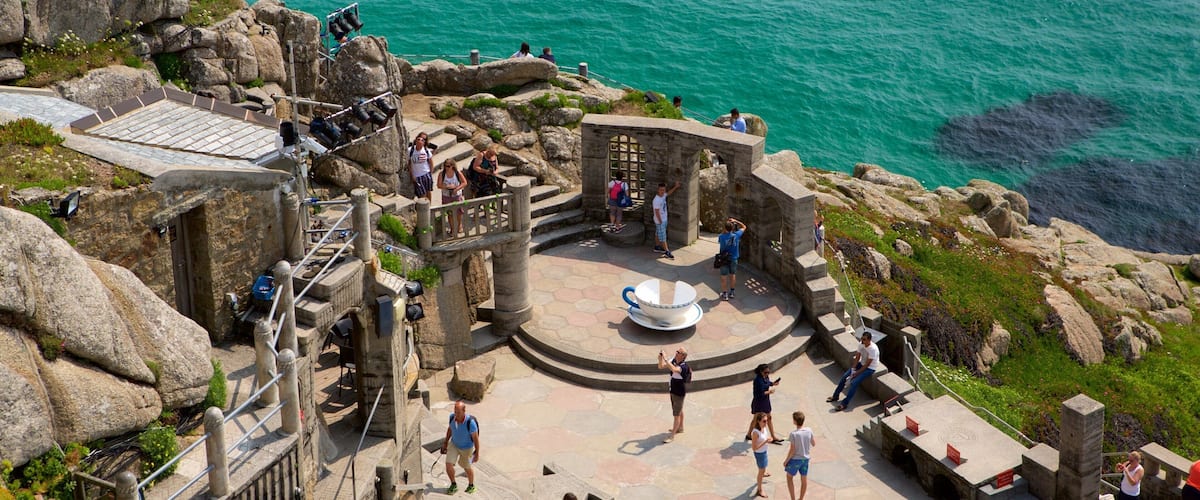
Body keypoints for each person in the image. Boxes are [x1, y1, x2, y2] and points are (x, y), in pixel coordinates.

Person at [827, 331, 879, 411]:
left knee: (854, 383)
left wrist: (857, 373)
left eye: (864, 339)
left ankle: (844, 404)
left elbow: (867, 365)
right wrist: (853, 370)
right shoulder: (861, 344)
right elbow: (857, 357)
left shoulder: (873, 349)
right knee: (845, 376)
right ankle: (835, 396)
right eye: (862, 338)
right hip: (861, 363)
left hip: (870, 368)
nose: (862, 340)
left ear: (869, 340)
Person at [440, 401, 480, 495]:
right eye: (455, 411)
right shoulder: (452, 418)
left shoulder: (470, 423)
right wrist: (445, 442)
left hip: (467, 448)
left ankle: (471, 485)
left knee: (466, 467)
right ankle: (453, 484)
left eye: (458, 412)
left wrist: (477, 453)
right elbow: (450, 429)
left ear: (464, 411)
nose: (456, 414)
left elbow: (476, 439)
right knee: (448, 464)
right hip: (454, 444)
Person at [657, 346, 691, 443]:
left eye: (678, 352)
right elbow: (661, 366)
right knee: (679, 410)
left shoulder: (683, 366)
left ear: (683, 356)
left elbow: (674, 370)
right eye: (677, 351)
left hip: (679, 393)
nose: (676, 352)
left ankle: (672, 436)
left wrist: (666, 358)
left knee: (676, 414)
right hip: (672, 390)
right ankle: (680, 428)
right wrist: (660, 358)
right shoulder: (673, 360)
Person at [745, 364, 783, 444]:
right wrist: (769, 392)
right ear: (761, 372)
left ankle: (773, 436)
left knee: (769, 417)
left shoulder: (765, 377)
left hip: (765, 401)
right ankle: (749, 435)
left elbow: (767, 382)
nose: (767, 374)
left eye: (768, 372)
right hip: (759, 402)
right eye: (766, 372)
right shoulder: (757, 380)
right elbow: (759, 393)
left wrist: (772, 383)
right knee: (755, 419)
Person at [784, 411, 816, 500]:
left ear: (794, 421)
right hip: (805, 460)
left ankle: (793, 498)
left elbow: (792, 450)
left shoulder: (793, 434)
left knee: (789, 477)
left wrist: (786, 461)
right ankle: (801, 498)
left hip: (795, 460)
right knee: (804, 479)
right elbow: (813, 443)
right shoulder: (809, 430)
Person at [718, 218, 746, 301]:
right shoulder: (737, 235)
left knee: (723, 276)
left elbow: (721, 238)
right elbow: (744, 227)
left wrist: (725, 229)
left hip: (724, 259)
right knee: (732, 275)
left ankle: (725, 294)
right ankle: (732, 292)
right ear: (732, 228)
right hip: (733, 258)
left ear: (725, 228)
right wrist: (736, 221)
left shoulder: (721, 237)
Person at [652, 180, 681, 260]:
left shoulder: (663, 195)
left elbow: (668, 193)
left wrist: (675, 187)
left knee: (658, 233)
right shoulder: (656, 200)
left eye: (663, 190)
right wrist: (660, 221)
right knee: (663, 236)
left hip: (664, 219)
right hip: (660, 220)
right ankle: (667, 251)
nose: (662, 191)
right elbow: (656, 211)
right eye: (661, 190)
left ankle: (657, 247)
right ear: (658, 190)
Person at [437, 159, 467, 235]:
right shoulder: (442, 174)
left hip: (456, 195)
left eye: (448, 166)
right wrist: (447, 186)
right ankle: (452, 229)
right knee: (449, 213)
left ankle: (459, 225)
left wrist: (456, 188)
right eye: (445, 166)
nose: (446, 168)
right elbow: (439, 185)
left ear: (452, 166)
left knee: (459, 212)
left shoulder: (457, 173)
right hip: (446, 195)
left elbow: (464, 182)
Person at [407, 132, 435, 201]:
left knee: (428, 192)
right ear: (416, 140)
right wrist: (412, 175)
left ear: (424, 142)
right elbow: (409, 163)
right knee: (422, 194)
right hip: (417, 176)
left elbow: (431, 162)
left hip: (426, 174)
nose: (420, 141)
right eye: (419, 139)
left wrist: (430, 173)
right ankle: (424, 209)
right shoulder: (410, 150)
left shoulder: (426, 150)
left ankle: (429, 207)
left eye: (423, 140)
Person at [750, 412, 771, 498]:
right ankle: (760, 490)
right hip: (759, 454)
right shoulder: (755, 432)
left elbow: (764, 438)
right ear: (758, 421)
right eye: (764, 421)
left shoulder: (764, 428)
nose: (766, 423)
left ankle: (763, 472)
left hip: (764, 451)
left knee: (764, 466)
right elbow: (754, 448)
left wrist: (768, 440)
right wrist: (765, 441)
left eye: (767, 421)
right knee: (761, 471)